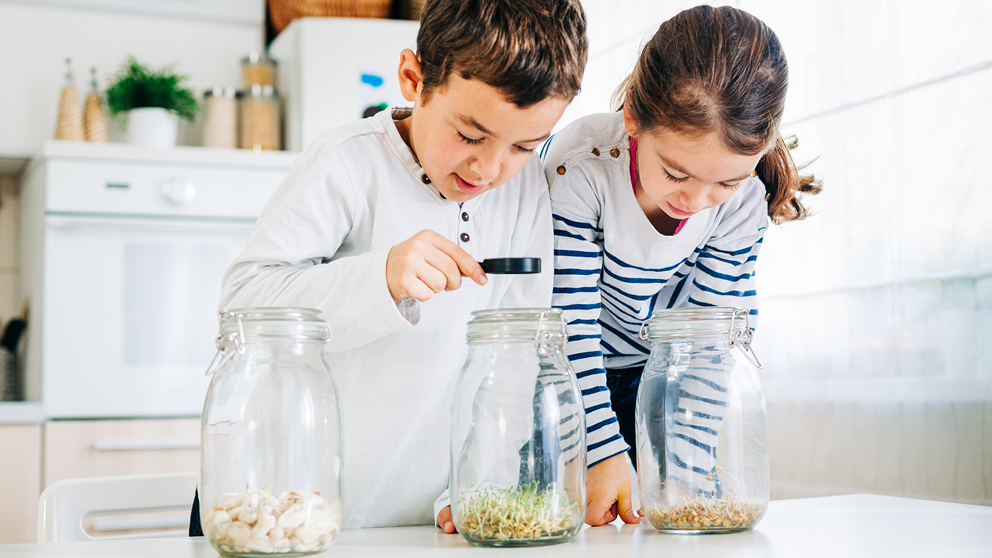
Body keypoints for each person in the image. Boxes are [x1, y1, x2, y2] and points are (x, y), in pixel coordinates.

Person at [191, 0, 588, 533]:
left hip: (421, 524)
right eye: (470, 134)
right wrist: (379, 277)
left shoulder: (525, 190)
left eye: (523, 145)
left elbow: (518, 356)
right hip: (283, 511)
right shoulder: (347, 163)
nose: (489, 168)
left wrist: (478, 485)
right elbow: (242, 304)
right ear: (412, 77)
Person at [543, 5, 820, 527]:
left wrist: (685, 469)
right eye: (674, 172)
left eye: (724, 183)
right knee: (561, 512)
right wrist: (602, 452)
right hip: (574, 376)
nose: (695, 200)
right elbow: (569, 328)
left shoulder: (743, 205)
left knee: (677, 508)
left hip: (666, 380)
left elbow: (710, 343)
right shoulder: (580, 171)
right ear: (633, 118)